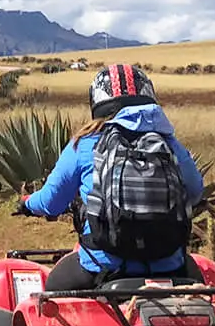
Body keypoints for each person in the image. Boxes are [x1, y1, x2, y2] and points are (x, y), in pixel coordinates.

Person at [14, 64, 204, 291]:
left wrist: (27, 204)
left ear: (97, 102)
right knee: (204, 291)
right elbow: (194, 192)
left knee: (51, 293)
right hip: (170, 267)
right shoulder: (170, 144)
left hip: (101, 267)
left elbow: (51, 202)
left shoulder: (84, 144)